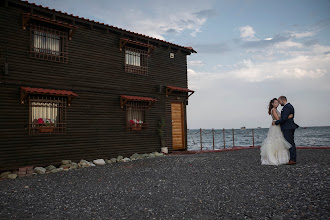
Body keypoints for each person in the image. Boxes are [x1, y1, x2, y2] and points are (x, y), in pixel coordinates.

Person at [260, 98, 293, 165]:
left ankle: (281, 158)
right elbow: (278, 119)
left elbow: (280, 119)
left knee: (279, 140)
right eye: (275, 103)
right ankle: (273, 158)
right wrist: (288, 117)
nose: (277, 104)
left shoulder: (276, 110)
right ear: (272, 104)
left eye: (277, 103)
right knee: (275, 141)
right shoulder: (273, 110)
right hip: (275, 126)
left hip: (278, 125)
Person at [273, 96, 299, 165]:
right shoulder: (289, 106)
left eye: (279, 101)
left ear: (283, 100)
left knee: (290, 143)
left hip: (287, 127)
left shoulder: (287, 107)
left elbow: (284, 119)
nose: (279, 103)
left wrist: (276, 122)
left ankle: (293, 159)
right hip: (289, 126)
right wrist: (288, 117)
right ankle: (291, 158)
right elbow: (286, 117)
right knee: (290, 143)